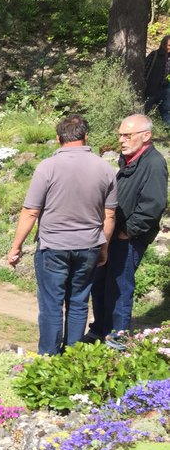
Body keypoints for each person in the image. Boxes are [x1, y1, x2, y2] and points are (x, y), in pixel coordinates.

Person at [7, 114, 117, 356]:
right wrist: (104, 247)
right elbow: (109, 215)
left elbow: (30, 211)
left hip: (53, 246)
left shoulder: (47, 167)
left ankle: (49, 356)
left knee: (51, 304)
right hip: (88, 246)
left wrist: (16, 246)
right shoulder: (105, 168)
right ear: (86, 136)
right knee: (78, 303)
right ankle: (73, 357)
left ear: (58, 138)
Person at [87, 113, 168, 347]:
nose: (122, 140)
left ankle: (117, 340)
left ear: (146, 136)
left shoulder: (153, 163)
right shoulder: (131, 160)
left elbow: (153, 204)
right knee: (100, 282)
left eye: (127, 135)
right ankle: (99, 330)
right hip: (114, 234)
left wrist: (128, 231)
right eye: (120, 135)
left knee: (119, 287)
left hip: (129, 238)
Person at [143, 37, 170, 126]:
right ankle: (140, 130)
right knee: (144, 112)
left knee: (166, 112)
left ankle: (168, 130)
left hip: (164, 89)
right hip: (151, 89)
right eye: (169, 45)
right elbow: (145, 69)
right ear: (163, 45)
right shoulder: (154, 55)